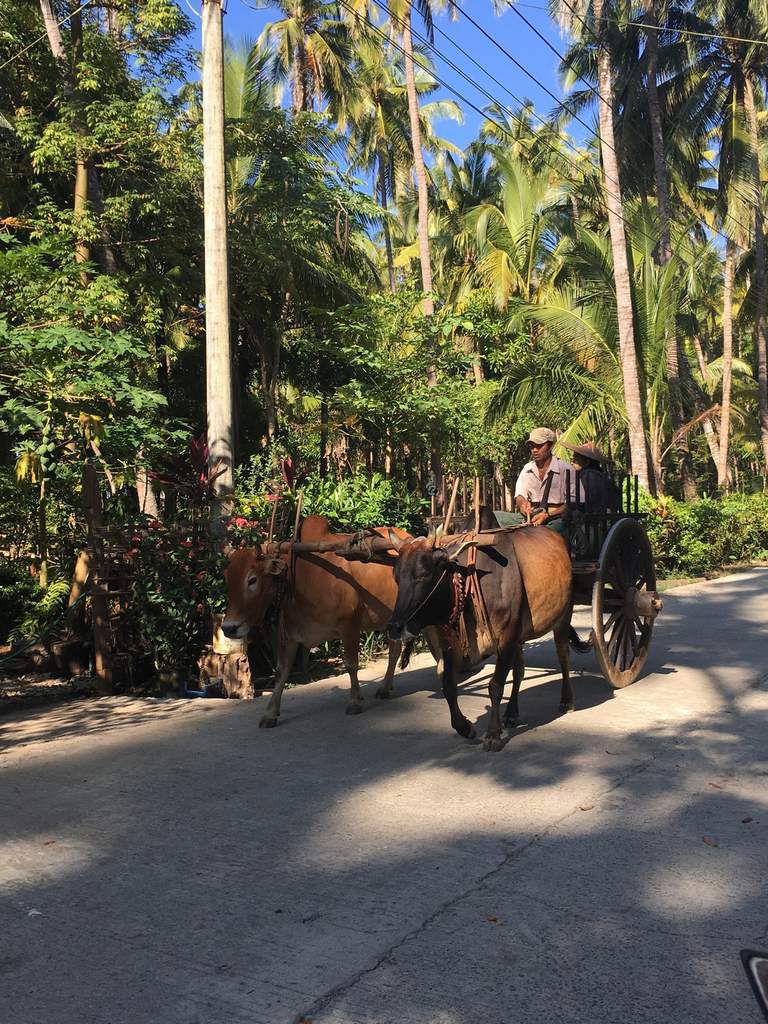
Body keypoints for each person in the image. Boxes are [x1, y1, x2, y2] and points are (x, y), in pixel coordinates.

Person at [513, 427, 572, 530]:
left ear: (549, 445)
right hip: (530, 517)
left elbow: (574, 503)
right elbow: (519, 494)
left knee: (547, 533)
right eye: (532, 446)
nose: (535, 450)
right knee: (495, 517)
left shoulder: (565, 469)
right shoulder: (527, 469)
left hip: (556, 518)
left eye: (539, 446)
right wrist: (523, 504)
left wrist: (548, 515)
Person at [561, 441, 618, 513]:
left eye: (575, 459)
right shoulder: (600, 475)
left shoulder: (588, 475)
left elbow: (581, 500)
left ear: (587, 462)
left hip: (591, 518)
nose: (572, 462)